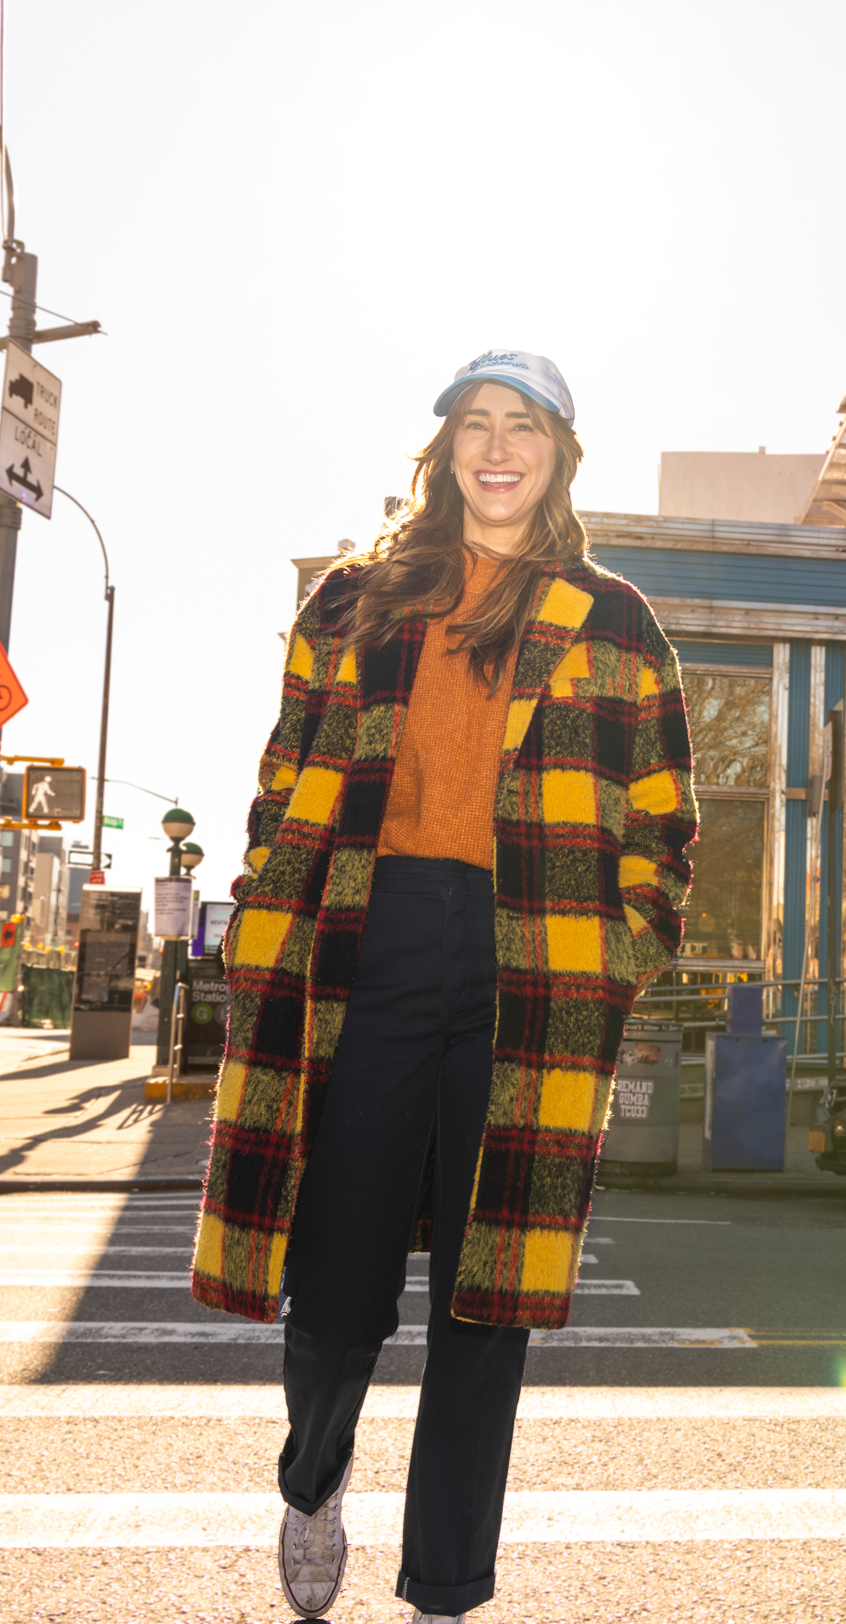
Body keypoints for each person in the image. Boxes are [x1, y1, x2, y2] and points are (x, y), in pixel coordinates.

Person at [191, 351, 697, 1621]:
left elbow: (662, 818)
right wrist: (267, 896)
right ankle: (313, 1478)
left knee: (489, 1299)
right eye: (473, 423)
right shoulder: (356, 600)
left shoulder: (615, 618)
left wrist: (625, 949)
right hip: (367, 940)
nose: (495, 445)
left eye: (519, 424)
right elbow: (281, 771)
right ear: (444, 452)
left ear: (558, 453)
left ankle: (447, 1585)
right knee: (337, 1274)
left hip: (536, 959)